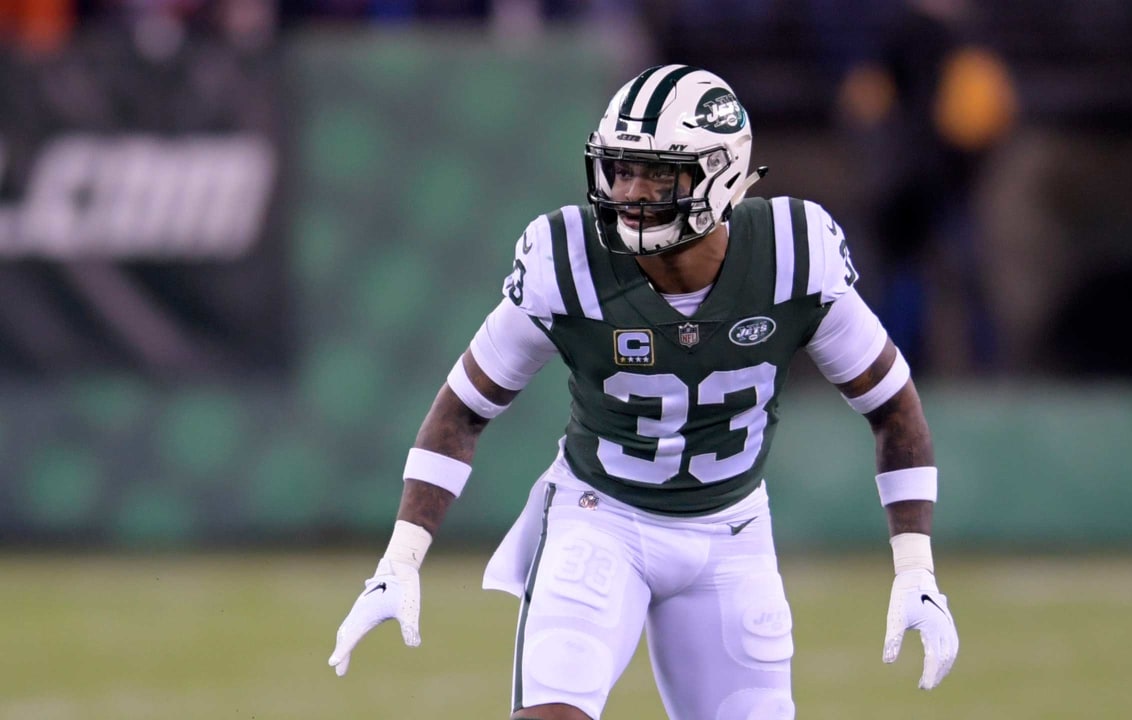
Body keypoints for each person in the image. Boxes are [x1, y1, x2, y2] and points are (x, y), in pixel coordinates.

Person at [327, 64, 959, 719]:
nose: (630, 190)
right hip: (600, 521)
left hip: (731, 534)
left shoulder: (794, 253)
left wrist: (915, 567)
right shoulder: (567, 258)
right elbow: (463, 409)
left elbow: (893, 408)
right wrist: (401, 557)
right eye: (621, 169)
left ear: (720, 174)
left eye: (658, 172)